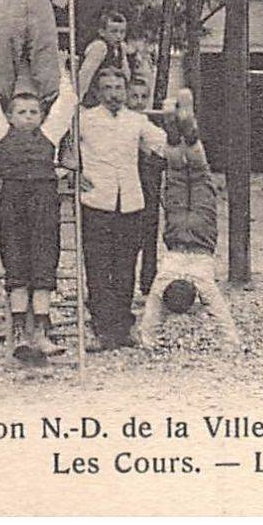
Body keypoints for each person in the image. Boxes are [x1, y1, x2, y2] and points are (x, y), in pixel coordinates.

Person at [0, 47, 77, 364]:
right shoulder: (1, 133)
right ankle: (19, 331)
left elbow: (66, 104)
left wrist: (63, 68)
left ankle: (41, 332)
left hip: (44, 200)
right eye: (21, 113)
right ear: (10, 116)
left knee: (44, 262)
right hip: (13, 200)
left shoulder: (48, 134)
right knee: (15, 261)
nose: (28, 117)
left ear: (41, 116)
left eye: (33, 113)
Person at [134, 90, 242, 350]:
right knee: (178, 176)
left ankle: (186, 134)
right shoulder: (165, 278)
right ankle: (176, 132)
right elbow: (153, 312)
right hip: (178, 233)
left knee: (198, 176)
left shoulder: (202, 283)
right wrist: (231, 342)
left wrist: (149, 340)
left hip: (201, 237)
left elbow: (218, 312)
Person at [77, 66, 170, 350]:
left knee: (125, 268)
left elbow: (163, 143)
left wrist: (176, 119)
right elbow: (62, 148)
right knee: (98, 268)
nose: (114, 94)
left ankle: (122, 327)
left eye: (118, 88)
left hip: (130, 203)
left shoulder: (136, 121)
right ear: (97, 92)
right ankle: (101, 328)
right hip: (96, 202)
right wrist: (72, 173)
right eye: (107, 88)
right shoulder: (84, 119)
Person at [127, 78, 165, 296]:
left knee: (150, 236)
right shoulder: (123, 122)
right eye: (134, 96)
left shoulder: (150, 124)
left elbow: (162, 151)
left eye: (143, 97)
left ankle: (148, 282)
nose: (139, 102)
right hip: (129, 186)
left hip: (148, 187)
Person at [78, 11, 132, 105]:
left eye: (122, 32)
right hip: (93, 97)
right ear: (102, 32)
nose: (119, 36)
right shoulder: (99, 47)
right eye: (114, 31)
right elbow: (85, 75)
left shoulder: (121, 48)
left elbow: (126, 75)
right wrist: (78, 101)